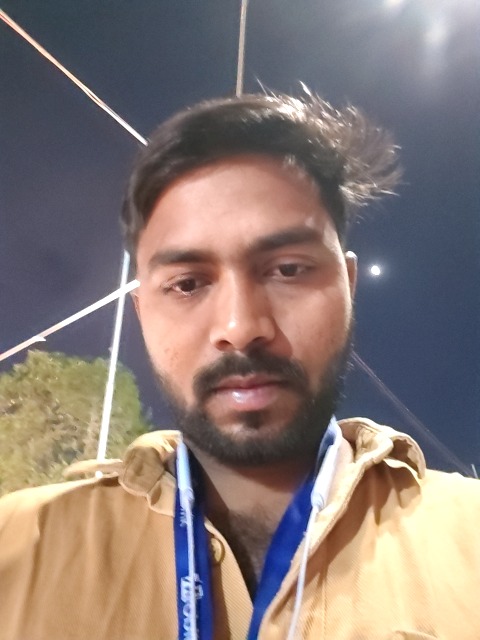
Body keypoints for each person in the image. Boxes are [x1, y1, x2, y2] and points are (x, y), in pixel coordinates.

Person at [1, 93, 479, 640]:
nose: (241, 325)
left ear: (348, 287)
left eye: (288, 269)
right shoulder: (17, 549)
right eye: (188, 283)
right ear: (142, 311)